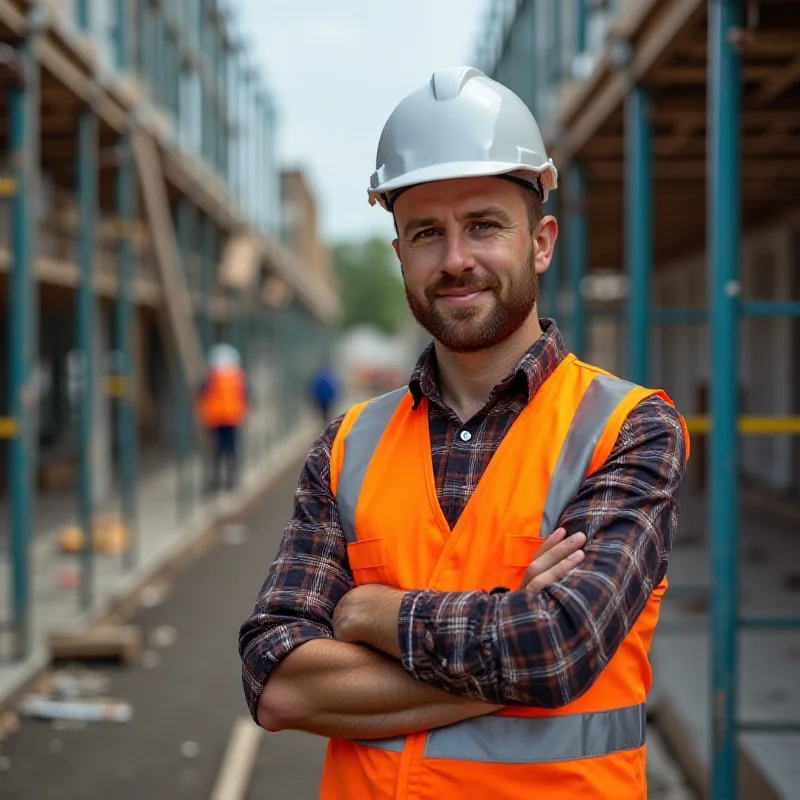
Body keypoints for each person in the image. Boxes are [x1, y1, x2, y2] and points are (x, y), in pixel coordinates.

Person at [239, 67, 689, 800]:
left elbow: (557, 648)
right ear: (400, 257)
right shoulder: (346, 445)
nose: (455, 260)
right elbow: (278, 682)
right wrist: (516, 642)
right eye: (426, 233)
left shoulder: (628, 429)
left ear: (540, 242)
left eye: (483, 225)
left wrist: (370, 613)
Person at [198, 343, 248, 491]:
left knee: (218, 450)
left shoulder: (211, 377)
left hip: (217, 419)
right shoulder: (238, 376)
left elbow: (201, 392)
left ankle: (218, 479)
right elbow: (245, 395)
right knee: (230, 450)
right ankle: (230, 479)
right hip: (231, 419)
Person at [309, 358, 341, 425]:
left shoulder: (318, 376)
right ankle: (327, 424)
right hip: (328, 399)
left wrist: (314, 398)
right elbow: (334, 388)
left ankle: (325, 424)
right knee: (328, 412)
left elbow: (313, 388)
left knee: (323, 413)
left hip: (321, 399)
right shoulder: (330, 375)